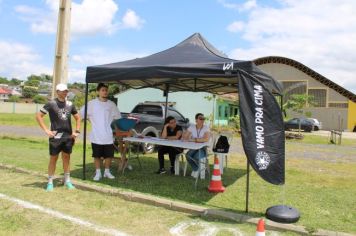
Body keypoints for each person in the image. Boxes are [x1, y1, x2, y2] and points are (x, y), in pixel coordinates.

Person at [36, 83, 80, 191]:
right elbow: (38, 116)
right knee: (53, 158)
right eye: (62, 91)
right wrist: (46, 130)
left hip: (68, 136)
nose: (65, 93)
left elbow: (78, 118)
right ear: (57, 92)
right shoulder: (51, 103)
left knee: (66, 158)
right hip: (55, 136)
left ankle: (67, 181)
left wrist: (77, 131)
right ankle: (50, 182)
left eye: (66, 91)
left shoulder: (70, 104)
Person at [80, 83, 121, 181]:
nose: (105, 92)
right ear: (98, 91)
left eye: (106, 90)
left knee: (109, 156)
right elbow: (81, 114)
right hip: (96, 135)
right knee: (97, 155)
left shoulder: (111, 104)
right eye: (102, 90)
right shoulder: (91, 103)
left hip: (108, 135)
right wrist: (89, 120)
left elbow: (118, 117)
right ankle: (98, 173)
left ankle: (107, 172)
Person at [182, 113, 210, 178]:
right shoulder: (192, 127)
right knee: (188, 155)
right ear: (196, 120)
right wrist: (187, 134)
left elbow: (206, 139)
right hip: (194, 147)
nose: (202, 120)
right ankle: (196, 169)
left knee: (196, 157)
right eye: (200, 118)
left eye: (203, 119)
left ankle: (198, 171)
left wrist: (193, 139)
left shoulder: (206, 127)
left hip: (203, 148)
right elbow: (185, 137)